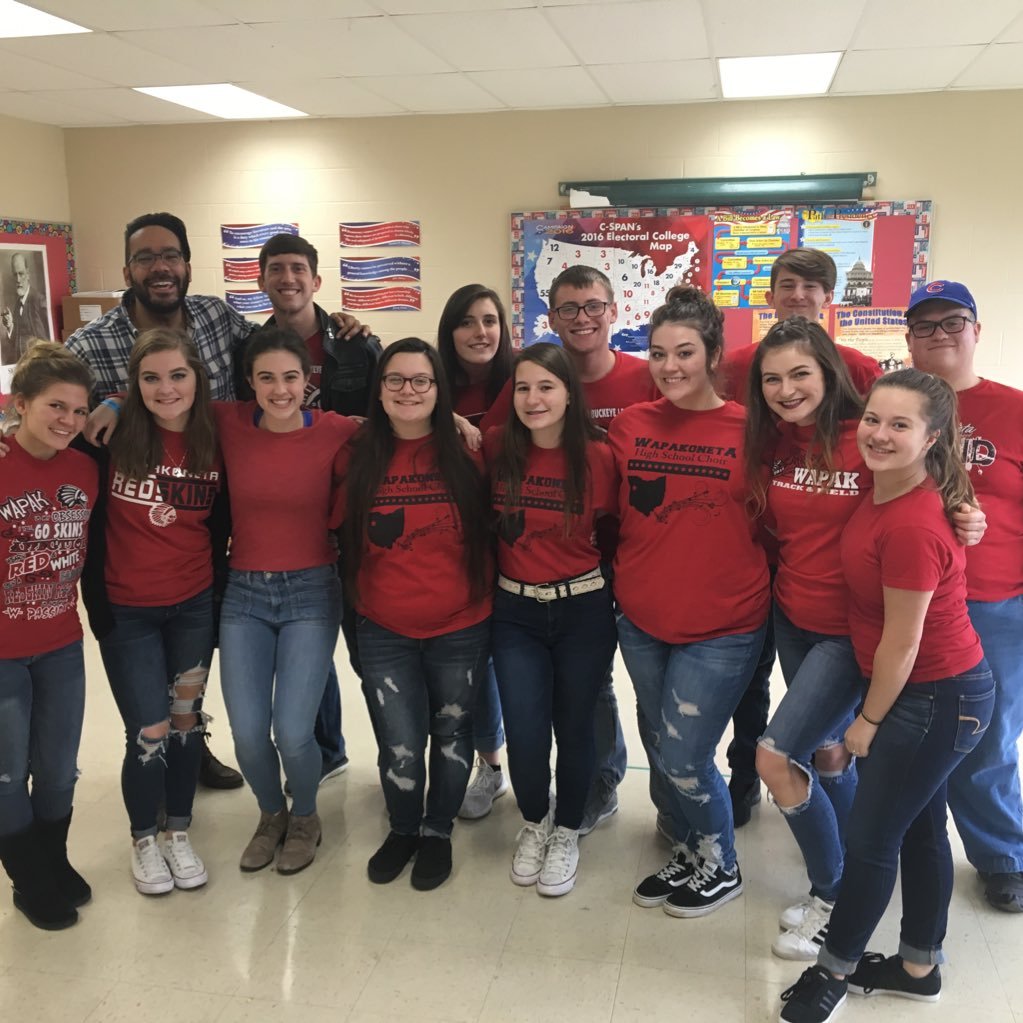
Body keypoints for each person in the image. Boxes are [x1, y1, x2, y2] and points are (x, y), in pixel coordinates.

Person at [65, 211, 367, 791]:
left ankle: (227, 751)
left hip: (220, 498)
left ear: (186, 262)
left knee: (214, 662)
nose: (160, 267)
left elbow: (279, 350)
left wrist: (338, 329)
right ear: (128, 268)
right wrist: (115, 402)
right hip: (135, 519)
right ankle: (168, 765)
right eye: (147, 257)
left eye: (171, 256)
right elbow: (55, 406)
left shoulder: (215, 315)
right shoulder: (90, 341)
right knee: (167, 681)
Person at [779, 369, 995, 1022]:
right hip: (929, 692)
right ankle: (916, 965)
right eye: (872, 419)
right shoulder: (886, 492)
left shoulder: (910, 523)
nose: (876, 432)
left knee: (872, 839)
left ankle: (830, 972)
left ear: (932, 438)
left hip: (932, 695)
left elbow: (902, 643)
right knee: (920, 828)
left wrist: (863, 723)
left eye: (898, 424)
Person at [482, 264, 658, 834]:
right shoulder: (503, 442)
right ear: (552, 317)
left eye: (592, 306)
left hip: (590, 588)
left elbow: (631, 508)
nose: (581, 318)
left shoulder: (622, 415)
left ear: (613, 310)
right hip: (518, 599)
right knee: (530, 721)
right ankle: (539, 818)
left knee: (581, 712)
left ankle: (586, 802)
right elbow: (472, 450)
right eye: (568, 309)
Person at [612, 286, 769, 918]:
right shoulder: (630, 425)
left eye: (684, 352)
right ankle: (689, 844)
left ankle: (722, 863)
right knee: (658, 739)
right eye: (657, 354)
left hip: (724, 623)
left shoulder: (755, 430)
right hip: (644, 616)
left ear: (712, 355)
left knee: (684, 752)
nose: (670, 366)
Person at [720, 248, 883, 828]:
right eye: (787, 284)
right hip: (777, 586)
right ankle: (830, 829)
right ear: (769, 294)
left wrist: (959, 509)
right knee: (798, 724)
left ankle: (853, 853)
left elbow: (913, 465)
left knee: (811, 737)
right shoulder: (741, 368)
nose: (785, 390)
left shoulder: (860, 390)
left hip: (847, 613)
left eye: (811, 286)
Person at [79, 328, 229, 896]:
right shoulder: (107, 436)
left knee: (188, 723)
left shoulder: (219, 437)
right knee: (149, 729)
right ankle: (144, 837)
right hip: (128, 611)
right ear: (133, 384)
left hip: (192, 605)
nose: (165, 389)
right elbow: (43, 444)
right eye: (150, 378)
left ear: (198, 378)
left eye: (177, 375)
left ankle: (179, 831)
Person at [342, 338, 492, 891]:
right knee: (400, 741)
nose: (409, 391)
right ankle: (403, 827)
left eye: (421, 381)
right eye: (396, 380)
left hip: (461, 623)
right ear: (378, 390)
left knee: (452, 734)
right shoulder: (354, 451)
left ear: (438, 389)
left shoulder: (470, 451)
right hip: (383, 626)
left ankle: (436, 831)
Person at [215, 328, 357, 876]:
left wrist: (461, 424)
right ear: (250, 381)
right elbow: (162, 399)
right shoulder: (226, 422)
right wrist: (112, 400)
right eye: (267, 377)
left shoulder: (335, 430)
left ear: (308, 382)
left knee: (293, 731)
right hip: (245, 593)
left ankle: (304, 816)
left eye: (291, 377)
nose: (279, 389)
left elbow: (406, 426)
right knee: (248, 733)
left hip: (311, 592)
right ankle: (270, 813)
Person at [904, 280, 1023, 913]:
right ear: (909, 340)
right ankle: (899, 838)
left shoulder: (1015, 408)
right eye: (925, 326)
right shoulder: (893, 405)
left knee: (988, 735)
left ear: (976, 329)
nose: (940, 335)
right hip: (908, 600)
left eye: (954, 322)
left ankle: (1002, 852)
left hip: (994, 603)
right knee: (903, 733)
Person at [488, 343, 617, 896]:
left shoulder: (598, 456)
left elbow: (613, 532)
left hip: (582, 608)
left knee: (576, 723)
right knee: (523, 725)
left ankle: (567, 829)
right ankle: (534, 823)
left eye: (546, 387)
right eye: (523, 387)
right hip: (514, 610)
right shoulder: (493, 448)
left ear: (569, 393)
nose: (534, 398)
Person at [257, 232, 384, 788]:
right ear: (262, 279)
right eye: (277, 269)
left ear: (317, 279)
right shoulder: (249, 347)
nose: (288, 279)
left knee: (367, 652)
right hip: (287, 517)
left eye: (298, 269)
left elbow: (393, 414)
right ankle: (326, 749)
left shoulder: (358, 345)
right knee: (305, 652)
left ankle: (397, 759)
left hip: (354, 519)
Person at [0, 341, 97, 929]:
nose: (68, 421)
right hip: (1, 653)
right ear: (20, 403)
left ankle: (52, 859)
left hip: (60, 641)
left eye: (79, 411)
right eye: (56, 407)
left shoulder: (83, 467)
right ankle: (29, 878)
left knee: (59, 767)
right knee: (8, 771)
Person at [437, 284, 513, 821]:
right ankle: (484, 764)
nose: (480, 332)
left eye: (489, 320)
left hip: (518, 541)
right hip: (451, 547)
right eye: (467, 321)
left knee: (509, 665)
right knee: (469, 667)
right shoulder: (433, 385)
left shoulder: (522, 378)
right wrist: (447, 420)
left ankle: (505, 763)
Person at [9, 253, 49, 358]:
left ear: (28, 274)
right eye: (15, 274)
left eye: (21, 273)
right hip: (23, 364)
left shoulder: (40, 300)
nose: (18, 280)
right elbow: (16, 339)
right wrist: (9, 326)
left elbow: (50, 337)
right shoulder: (17, 305)